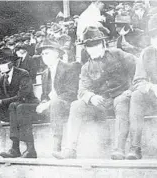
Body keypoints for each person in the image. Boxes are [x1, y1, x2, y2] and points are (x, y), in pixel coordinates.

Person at [53, 26, 136, 159]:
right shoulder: (86, 67)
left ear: (103, 43)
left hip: (122, 97)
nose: (93, 49)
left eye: (96, 44)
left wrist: (131, 90)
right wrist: (91, 97)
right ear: (85, 48)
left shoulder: (119, 54)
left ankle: (119, 149)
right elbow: (82, 90)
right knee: (76, 105)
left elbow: (138, 71)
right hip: (102, 103)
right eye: (89, 46)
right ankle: (70, 149)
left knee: (121, 101)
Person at [112, 13, 157, 160]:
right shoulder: (148, 53)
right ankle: (135, 147)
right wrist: (153, 87)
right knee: (137, 95)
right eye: (154, 36)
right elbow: (138, 81)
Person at [35, 39, 81, 154]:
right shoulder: (45, 73)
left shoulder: (69, 67)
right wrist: (43, 103)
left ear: (56, 53)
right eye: (42, 54)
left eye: (47, 53)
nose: (44, 56)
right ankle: (28, 149)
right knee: (23, 107)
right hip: (53, 106)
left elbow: (71, 93)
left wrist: (49, 103)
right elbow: (45, 95)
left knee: (55, 104)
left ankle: (57, 146)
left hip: (68, 104)